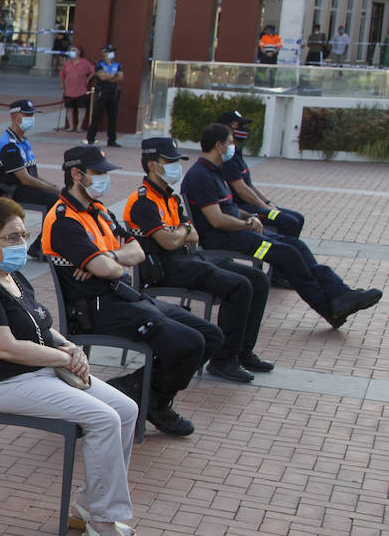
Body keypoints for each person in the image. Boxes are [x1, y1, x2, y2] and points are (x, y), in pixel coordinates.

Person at [0, 198, 142, 536]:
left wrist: (71, 347)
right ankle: (102, 524)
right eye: (11, 237)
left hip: (39, 371)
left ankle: (88, 505)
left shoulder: (12, 276)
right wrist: (63, 357)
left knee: (126, 409)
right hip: (0, 384)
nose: (22, 243)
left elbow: (42, 325)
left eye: (23, 234)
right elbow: (2, 347)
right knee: (104, 419)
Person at [44, 145, 217, 437]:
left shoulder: (99, 211)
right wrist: (112, 260)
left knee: (210, 337)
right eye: (98, 173)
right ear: (76, 174)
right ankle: (153, 402)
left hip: (124, 297)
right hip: (96, 309)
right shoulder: (64, 220)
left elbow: (136, 250)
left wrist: (109, 258)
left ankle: (132, 391)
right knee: (188, 343)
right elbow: (110, 268)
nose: (104, 179)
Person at [182, 123, 380, 329]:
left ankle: (341, 295)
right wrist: (246, 225)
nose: (233, 146)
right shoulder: (201, 176)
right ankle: (330, 308)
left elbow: (229, 208)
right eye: (230, 142)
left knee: (297, 246)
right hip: (226, 238)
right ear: (218, 146)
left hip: (240, 232)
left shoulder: (215, 172)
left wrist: (250, 217)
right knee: (288, 254)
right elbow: (217, 220)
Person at [123, 137, 273, 383]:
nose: (175, 165)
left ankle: (243, 352)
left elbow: (194, 235)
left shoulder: (170, 197)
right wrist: (180, 233)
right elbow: (169, 242)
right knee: (238, 285)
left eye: (176, 160)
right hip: (163, 267)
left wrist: (179, 233)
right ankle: (224, 360)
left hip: (187, 258)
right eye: (169, 161)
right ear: (152, 165)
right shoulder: (142, 201)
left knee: (257, 278)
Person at [214, 111, 304, 239]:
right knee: (290, 222)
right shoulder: (227, 160)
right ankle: (279, 249)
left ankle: (286, 246)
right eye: (237, 125)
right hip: (242, 208)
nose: (243, 129)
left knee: (298, 218)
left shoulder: (236, 153)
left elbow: (248, 184)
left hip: (252, 205)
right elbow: (241, 189)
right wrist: (265, 208)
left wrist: (267, 202)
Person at [0, 100, 59, 210]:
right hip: (15, 191)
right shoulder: (9, 146)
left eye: (32, 115)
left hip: (25, 188)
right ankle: (50, 227)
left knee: (58, 195)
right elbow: (25, 179)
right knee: (54, 199)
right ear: (16, 116)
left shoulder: (23, 141)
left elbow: (33, 174)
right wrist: (54, 190)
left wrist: (53, 186)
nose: (31, 118)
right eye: (28, 115)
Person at [86, 45, 123, 147]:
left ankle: (112, 140)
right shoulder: (99, 64)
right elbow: (102, 77)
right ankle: (91, 138)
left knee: (113, 117)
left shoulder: (117, 64)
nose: (112, 53)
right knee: (96, 117)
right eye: (109, 51)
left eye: (112, 51)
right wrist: (113, 76)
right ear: (104, 53)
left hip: (113, 92)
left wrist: (109, 76)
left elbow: (120, 77)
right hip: (102, 92)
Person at [59, 46, 92, 133]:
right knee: (69, 109)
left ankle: (79, 126)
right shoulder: (67, 63)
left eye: (74, 50)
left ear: (79, 52)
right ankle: (71, 126)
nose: (71, 52)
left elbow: (93, 70)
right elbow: (62, 75)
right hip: (69, 90)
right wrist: (62, 84)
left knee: (81, 108)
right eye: (71, 50)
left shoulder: (84, 62)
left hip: (81, 90)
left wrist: (88, 79)